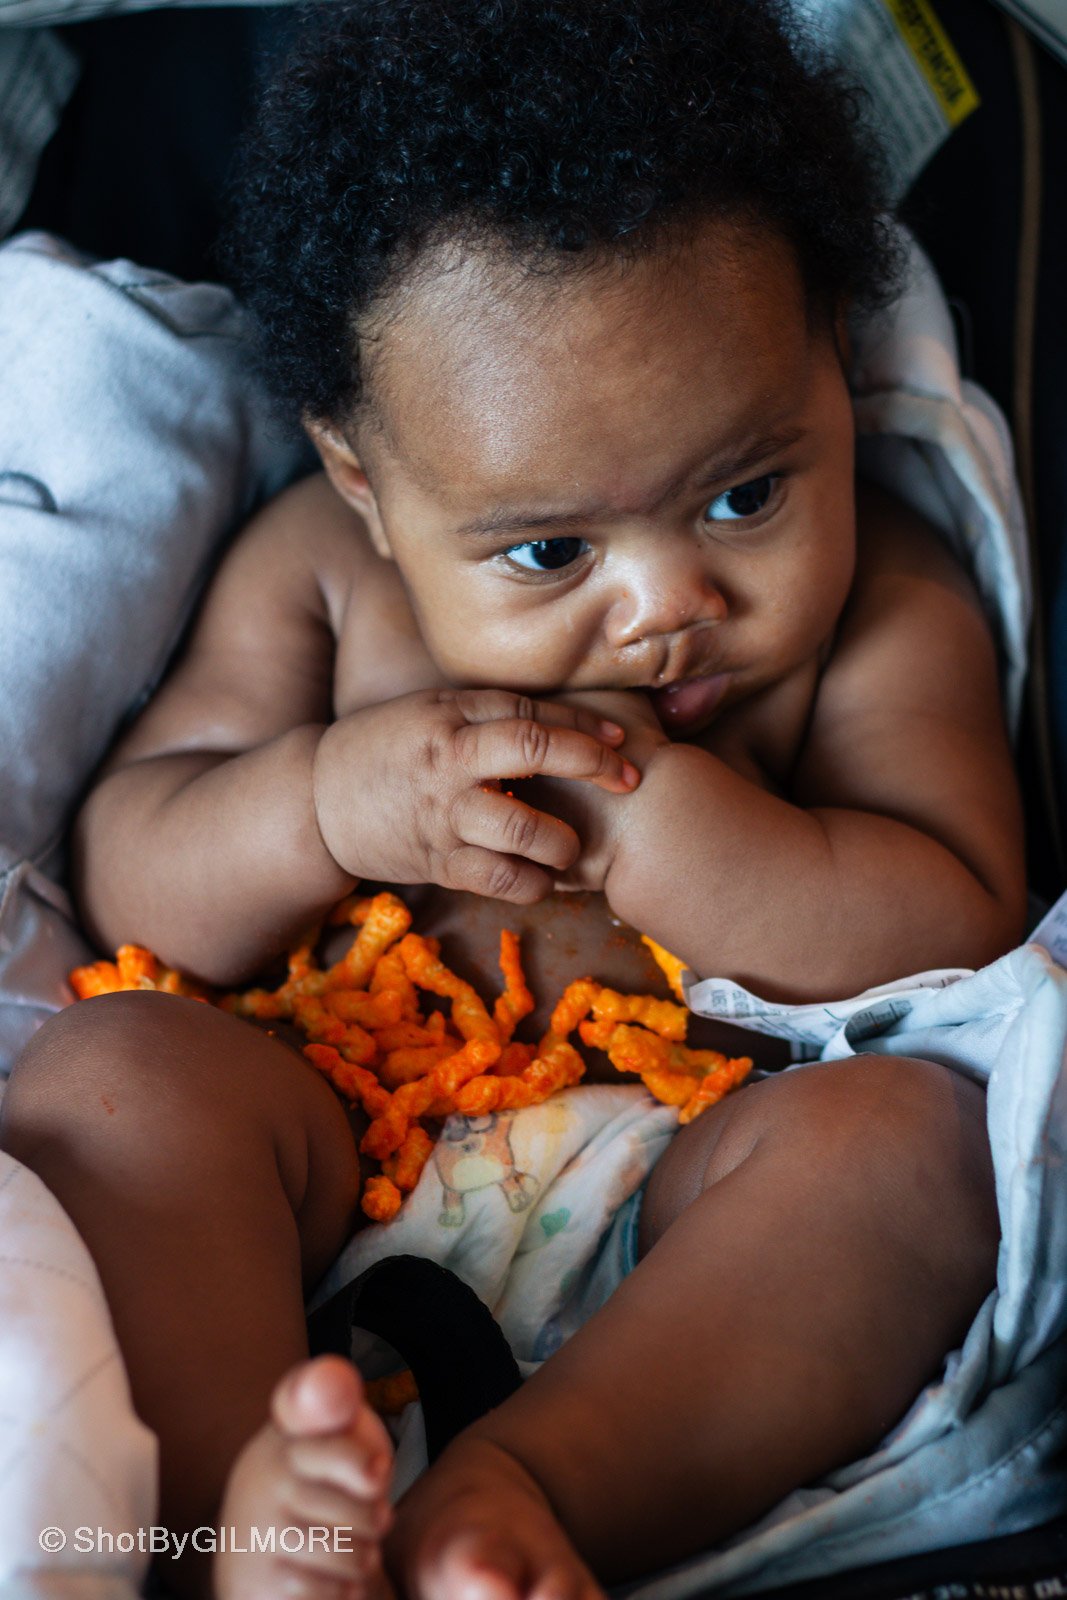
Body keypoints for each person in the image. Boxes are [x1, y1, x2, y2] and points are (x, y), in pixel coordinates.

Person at [0, 2, 1028, 1598]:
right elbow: (135, 868)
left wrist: (670, 832)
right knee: (116, 1074)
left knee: (912, 1151)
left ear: (831, 352)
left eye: (747, 493)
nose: (667, 603)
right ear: (367, 480)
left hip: (691, 1191)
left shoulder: (881, 612)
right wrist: (323, 809)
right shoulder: (325, 585)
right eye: (549, 551)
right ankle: (241, 1519)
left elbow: (953, 916)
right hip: (311, 1151)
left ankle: (531, 1494)